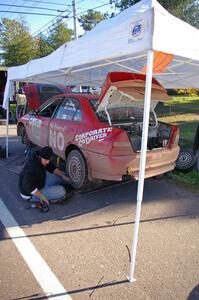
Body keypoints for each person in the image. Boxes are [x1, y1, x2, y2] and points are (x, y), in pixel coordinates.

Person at [18, 146, 73, 211]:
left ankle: (55, 189)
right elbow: (27, 186)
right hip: (29, 193)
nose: (47, 162)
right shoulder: (32, 168)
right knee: (62, 191)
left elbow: (51, 167)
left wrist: (63, 176)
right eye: (46, 160)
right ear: (40, 157)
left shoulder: (40, 157)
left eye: (48, 160)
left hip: (39, 182)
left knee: (59, 177)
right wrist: (42, 197)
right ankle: (48, 196)